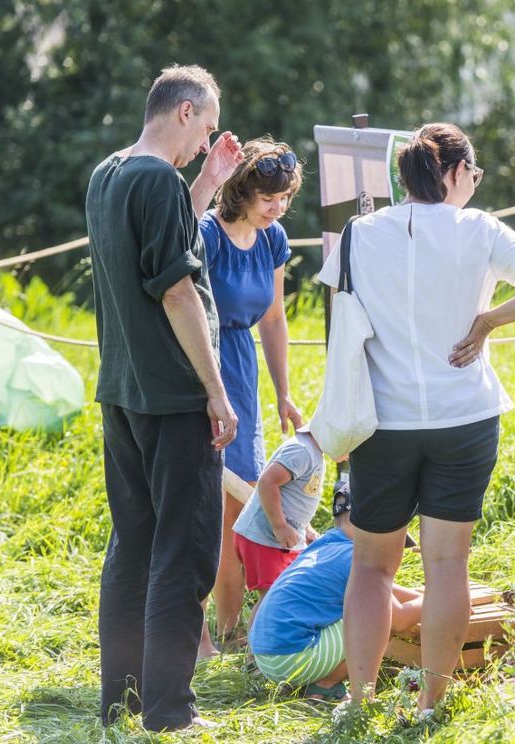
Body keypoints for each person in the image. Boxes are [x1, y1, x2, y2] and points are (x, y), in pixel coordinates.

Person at [316, 122, 515, 711]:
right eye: (475, 174)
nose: (475, 184)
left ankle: (358, 700)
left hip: (381, 421)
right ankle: (431, 702)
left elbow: (341, 320)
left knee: (373, 566)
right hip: (465, 416)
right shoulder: (480, 229)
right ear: (456, 173)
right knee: (447, 563)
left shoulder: (358, 233)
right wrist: (488, 321)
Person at [84, 64, 244, 732]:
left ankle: (120, 700)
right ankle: (170, 712)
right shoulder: (157, 179)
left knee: (135, 547)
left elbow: (163, 248)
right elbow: (177, 290)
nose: (204, 146)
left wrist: (205, 187)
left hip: (124, 393)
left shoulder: (112, 173)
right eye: (204, 131)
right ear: (184, 112)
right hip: (175, 397)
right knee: (184, 554)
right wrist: (216, 391)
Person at [196, 138, 305, 652]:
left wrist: (283, 392)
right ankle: (202, 631)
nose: (278, 208)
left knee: (240, 510)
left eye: (285, 198)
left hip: (243, 372)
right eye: (269, 198)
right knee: (210, 507)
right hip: (203, 370)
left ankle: (233, 631)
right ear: (243, 191)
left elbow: (274, 317)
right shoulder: (208, 237)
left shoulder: (273, 239)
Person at [249, 483, 423, 701]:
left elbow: (382, 588)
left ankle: (312, 679)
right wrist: (435, 600)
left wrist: (420, 597)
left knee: (370, 604)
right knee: (378, 618)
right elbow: (398, 619)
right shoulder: (354, 556)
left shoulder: (326, 546)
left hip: (268, 657)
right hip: (291, 658)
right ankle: (324, 684)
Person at [231, 424, 326, 604]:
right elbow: (267, 482)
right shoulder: (302, 451)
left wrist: (307, 528)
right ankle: (258, 633)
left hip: (282, 541)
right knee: (271, 598)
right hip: (265, 538)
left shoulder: (314, 452)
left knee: (285, 596)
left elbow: (295, 495)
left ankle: (274, 631)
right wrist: (279, 526)